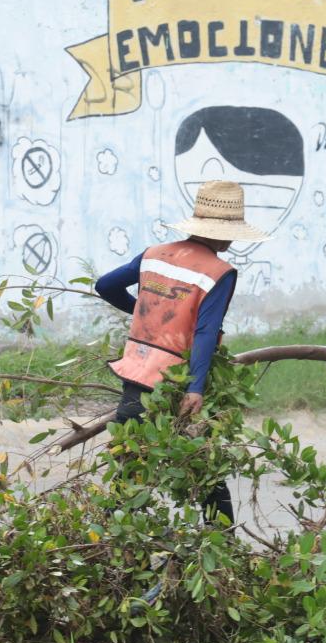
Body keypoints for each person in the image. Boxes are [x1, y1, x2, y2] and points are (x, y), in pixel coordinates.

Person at [94, 179, 269, 523]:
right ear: (223, 232)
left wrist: (146, 312)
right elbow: (205, 332)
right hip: (176, 382)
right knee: (204, 469)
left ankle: (108, 541)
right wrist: (195, 389)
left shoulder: (155, 255)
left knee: (130, 468)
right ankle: (222, 543)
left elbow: (105, 285)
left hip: (136, 375)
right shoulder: (218, 271)